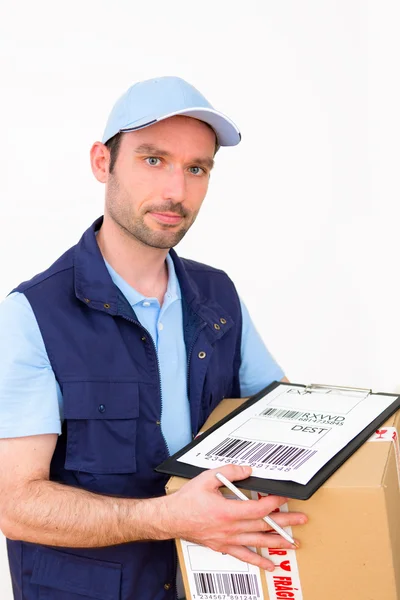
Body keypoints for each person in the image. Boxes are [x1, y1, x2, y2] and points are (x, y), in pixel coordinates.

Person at [0, 76, 307, 600]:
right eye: (152, 159)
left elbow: (283, 419)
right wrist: (170, 517)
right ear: (103, 163)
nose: (175, 191)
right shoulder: (32, 315)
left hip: (212, 583)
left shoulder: (218, 297)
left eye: (196, 169)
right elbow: (14, 504)